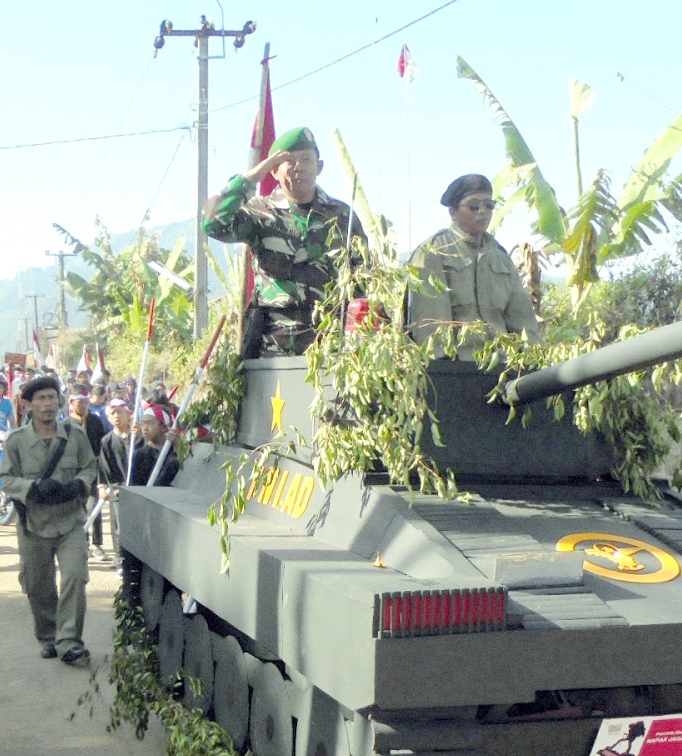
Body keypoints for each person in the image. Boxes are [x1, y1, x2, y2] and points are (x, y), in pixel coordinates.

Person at [203, 126, 369, 357]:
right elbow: (213, 224)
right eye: (289, 161)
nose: (298, 167)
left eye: (306, 159)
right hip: (272, 346)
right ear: (274, 171)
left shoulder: (341, 216)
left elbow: (362, 277)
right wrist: (251, 178)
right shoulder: (260, 213)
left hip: (331, 345)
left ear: (319, 167)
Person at [0, 376, 98, 665]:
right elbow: (5, 479)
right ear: (29, 405)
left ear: (59, 401)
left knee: (76, 576)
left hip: (70, 522)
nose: (47, 404)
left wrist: (77, 485)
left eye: (51, 398)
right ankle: (48, 634)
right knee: (37, 584)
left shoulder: (75, 434)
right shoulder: (16, 441)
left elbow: (90, 467)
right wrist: (31, 489)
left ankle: (69, 642)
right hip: (34, 525)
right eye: (40, 398)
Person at [406, 174, 540, 360]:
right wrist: (443, 369)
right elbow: (431, 327)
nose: (482, 212)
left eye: (489, 205)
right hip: (456, 367)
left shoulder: (500, 257)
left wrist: (532, 360)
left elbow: (522, 321)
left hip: (501, 366)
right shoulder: (433, 252)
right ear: (453, 212)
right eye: (474, 206)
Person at [66, 389, 108, 560]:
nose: (82, 405)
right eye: (79, 402)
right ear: (71, 402)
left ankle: (97, 544)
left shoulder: (95, 421)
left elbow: (103, 446)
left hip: (94, 470)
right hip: (74, 472)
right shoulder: (66, 424)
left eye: (85, 402)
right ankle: (82, 542)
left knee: (94, 507)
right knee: (78, 508)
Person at [97, 399, 133, 559]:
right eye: (113, 413)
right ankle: (121, 560)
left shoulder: (137, 439)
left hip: (138, 487)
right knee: (120, 526)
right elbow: (104, 467)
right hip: (118, 489)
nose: (117, 416)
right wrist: (103, 487)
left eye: (120, 411)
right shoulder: (107, 441)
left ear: (128, 414)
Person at [129, 404, 181, 488]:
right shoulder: (139, 455)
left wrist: (178, 447)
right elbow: (134, 486)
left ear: (163, 427)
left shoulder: (174, 450)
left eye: (150, 423)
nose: (145, 428)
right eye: (142, 423)